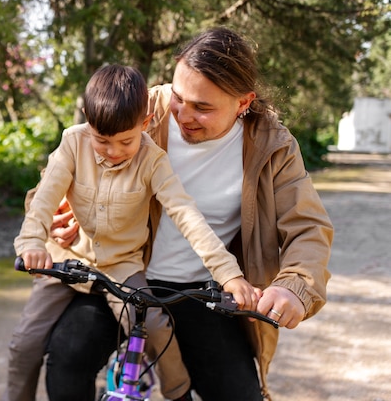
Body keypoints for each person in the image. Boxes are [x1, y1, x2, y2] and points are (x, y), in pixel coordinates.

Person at [43, 27, 334, 401]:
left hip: (203, 293)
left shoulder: (272, 145)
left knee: (240, 394)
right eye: (179, 98)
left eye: (203, 107)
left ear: (243, 102)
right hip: (121, 274)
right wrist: (59, 212)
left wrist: (293, 286)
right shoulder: (143, 109)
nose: (184, 114)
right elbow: (65, 166)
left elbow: (308, 227)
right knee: (66, 357)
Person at [4, 64, 260, 401]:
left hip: (121, 266)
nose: (112, 151)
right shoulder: (72, 142)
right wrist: (32, 243)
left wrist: (229, 276)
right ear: (87, 120)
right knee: (24, 345)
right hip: (65, 262)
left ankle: (177, 393)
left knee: (154, 325)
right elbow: (44, 200)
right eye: (101, 140)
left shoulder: (154, 160)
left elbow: (188, 217)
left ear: (145, 123)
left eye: (125, 141)